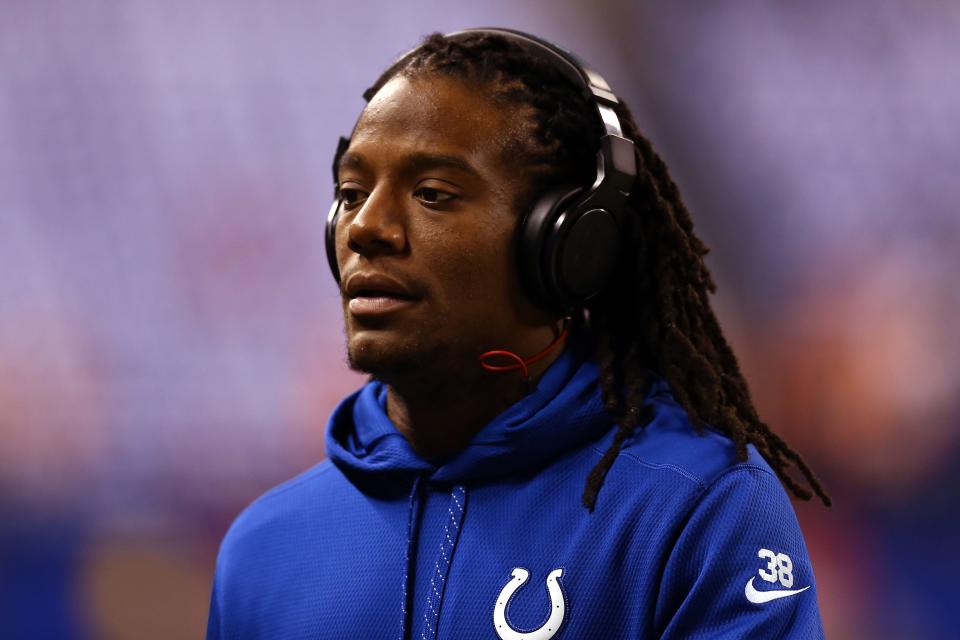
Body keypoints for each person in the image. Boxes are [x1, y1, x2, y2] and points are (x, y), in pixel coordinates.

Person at [205, 28, 830, 639]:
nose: (365, 227)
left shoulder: (696, 506)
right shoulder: (263, 550)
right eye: (351, 191)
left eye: (432, 193)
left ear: (567, 244)